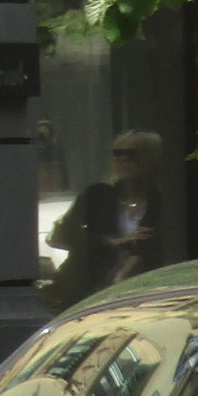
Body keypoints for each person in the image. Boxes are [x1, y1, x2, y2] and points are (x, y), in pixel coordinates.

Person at [44, 130, 166, 309]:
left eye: (132, 154)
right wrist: (115, 241)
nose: (123, 160)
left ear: (150, 159)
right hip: (90, 294)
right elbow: (58, 238)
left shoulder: (163, 202)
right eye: (118, 154)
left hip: (144, 295)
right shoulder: (97, 196)